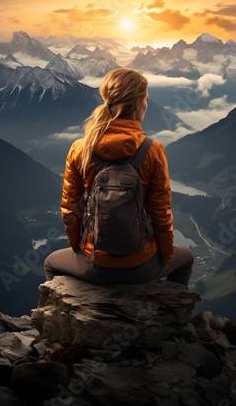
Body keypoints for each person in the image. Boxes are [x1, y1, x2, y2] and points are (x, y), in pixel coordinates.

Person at [44, 68, 194, 287]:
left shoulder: (80, 149)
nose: (147, 105)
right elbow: (160, 213)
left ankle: (58, 312)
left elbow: (71, 209)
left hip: (94, 263)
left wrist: (80, 249)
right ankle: (171, 316)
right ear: (136, 104)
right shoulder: (153, 150)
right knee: (187, 258)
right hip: (141, 264)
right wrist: (165, 258)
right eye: (146, 99)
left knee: (50, 263)